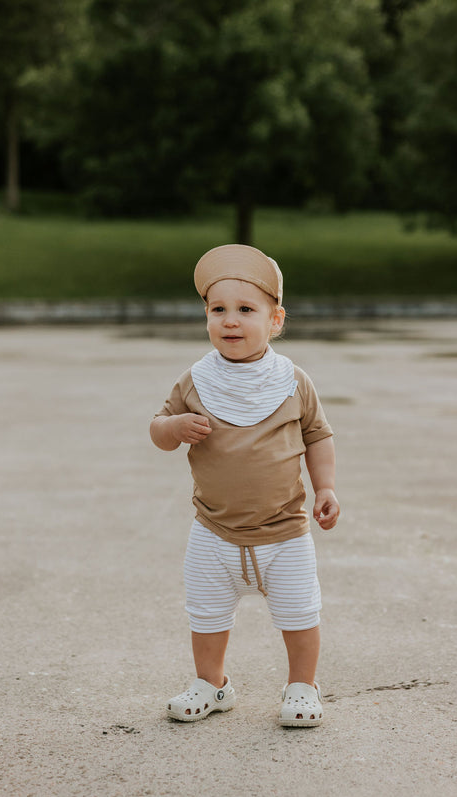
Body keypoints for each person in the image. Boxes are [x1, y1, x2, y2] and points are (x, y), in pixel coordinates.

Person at [150, 244, 340, 727]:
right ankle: (211, 684)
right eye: (218, 310)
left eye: (245, 310)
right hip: (213, 531)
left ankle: (302, 685)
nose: (230, 321)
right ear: (206, 317)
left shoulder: (293, 381)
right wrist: (175, 429)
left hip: (285, 533)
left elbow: (318, 435)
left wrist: (326, 488)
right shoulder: (195, 381)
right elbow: (158, 428)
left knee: (300, 616)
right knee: (206, 616)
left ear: (275, 320)